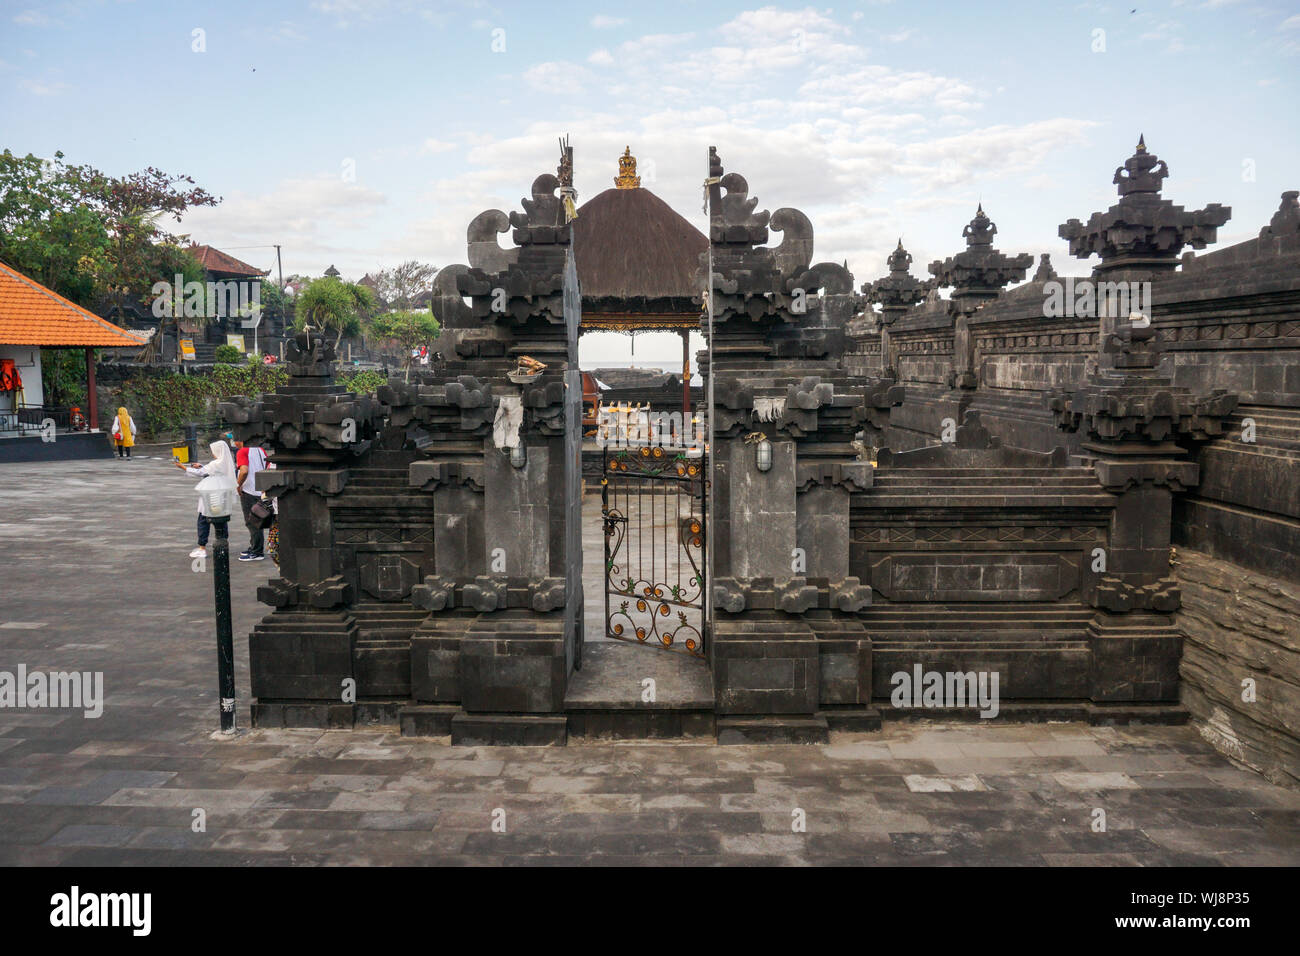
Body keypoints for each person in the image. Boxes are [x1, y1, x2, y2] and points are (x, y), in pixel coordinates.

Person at [174, 440, 236, 558]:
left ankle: (202, 547)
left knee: (203, 520)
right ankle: (223, 543)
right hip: (222, 497)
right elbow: (209, 470)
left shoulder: (215, 464)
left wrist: (183, 467)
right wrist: (201, 466)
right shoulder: (226, 462)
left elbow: (201, 472)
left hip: (210, 496)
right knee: (221, 521)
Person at [233, 436, 268, 561]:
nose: (234, 443)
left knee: (251, 522)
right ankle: (254, 546)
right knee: (257, 520)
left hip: (249, 491)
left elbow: (244, 470)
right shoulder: (260, 450)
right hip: (260, 490)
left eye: (235, 440)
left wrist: (238, 484)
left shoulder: (242, 451)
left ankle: (256, 552)